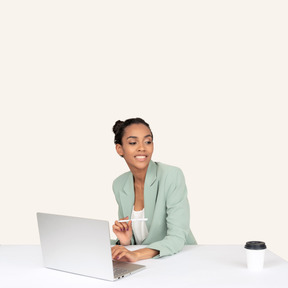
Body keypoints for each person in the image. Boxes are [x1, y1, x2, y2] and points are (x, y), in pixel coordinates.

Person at [111, 117, 197, 262]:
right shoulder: (119, 184)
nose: (142, 148)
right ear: (120, 149)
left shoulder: (171, 175)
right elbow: (133, 240)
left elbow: (177, 236)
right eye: (133, 142)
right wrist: (125, 242)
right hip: (147, 264)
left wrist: (136, 255)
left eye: (148, 141)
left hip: (179, 258)